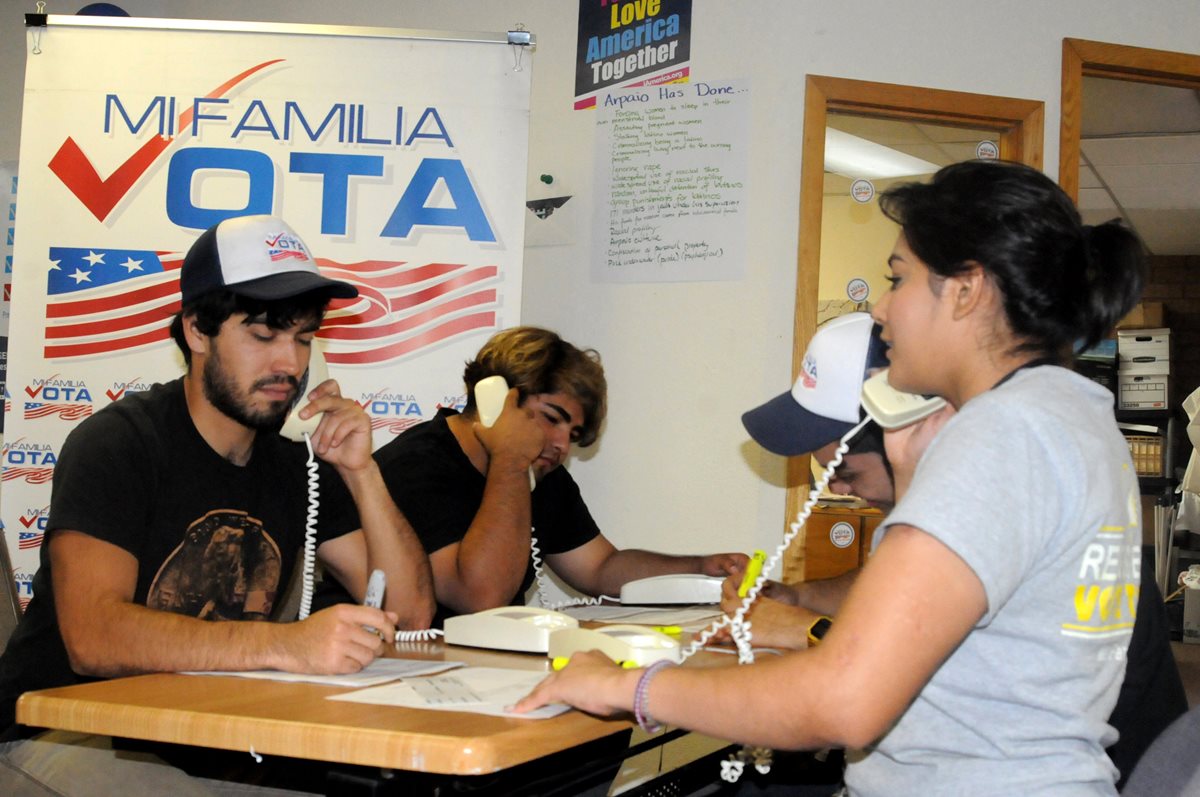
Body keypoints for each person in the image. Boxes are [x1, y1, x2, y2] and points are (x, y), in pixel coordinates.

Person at [514, 160, 1148, 795]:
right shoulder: (1071, 417)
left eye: (899, 279)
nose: (881, 307)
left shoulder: (1000, 437)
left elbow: (843, 697)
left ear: (966, 289)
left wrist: (625, 684)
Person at [0, 215, 434, 789]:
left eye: (304, 338)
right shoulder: (120, 443)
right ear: (197, 332)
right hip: (68, 730)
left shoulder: (294, 465)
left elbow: (412, 616)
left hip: (207, 735)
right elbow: (94, 639)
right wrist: (288, 646)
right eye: (263, 335)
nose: (291, 365)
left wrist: (361, 472)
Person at [730, 311, 1187, 790]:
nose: (840, 491)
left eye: (844, 474)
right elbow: (902, 591)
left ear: (900, 428)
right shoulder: (964, 509)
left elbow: (885, 681)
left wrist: (808, 631)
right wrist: (799, 598)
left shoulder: (998, 497)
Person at [317, 326, 746, 623]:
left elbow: (600, 567)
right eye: (552, 418)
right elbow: (478, 597)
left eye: (573, 434)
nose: (561, 445)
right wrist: (509, 461)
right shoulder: (420, 464)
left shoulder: (537, 473)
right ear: (497, 398)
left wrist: (699, 567)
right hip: (396, 670)